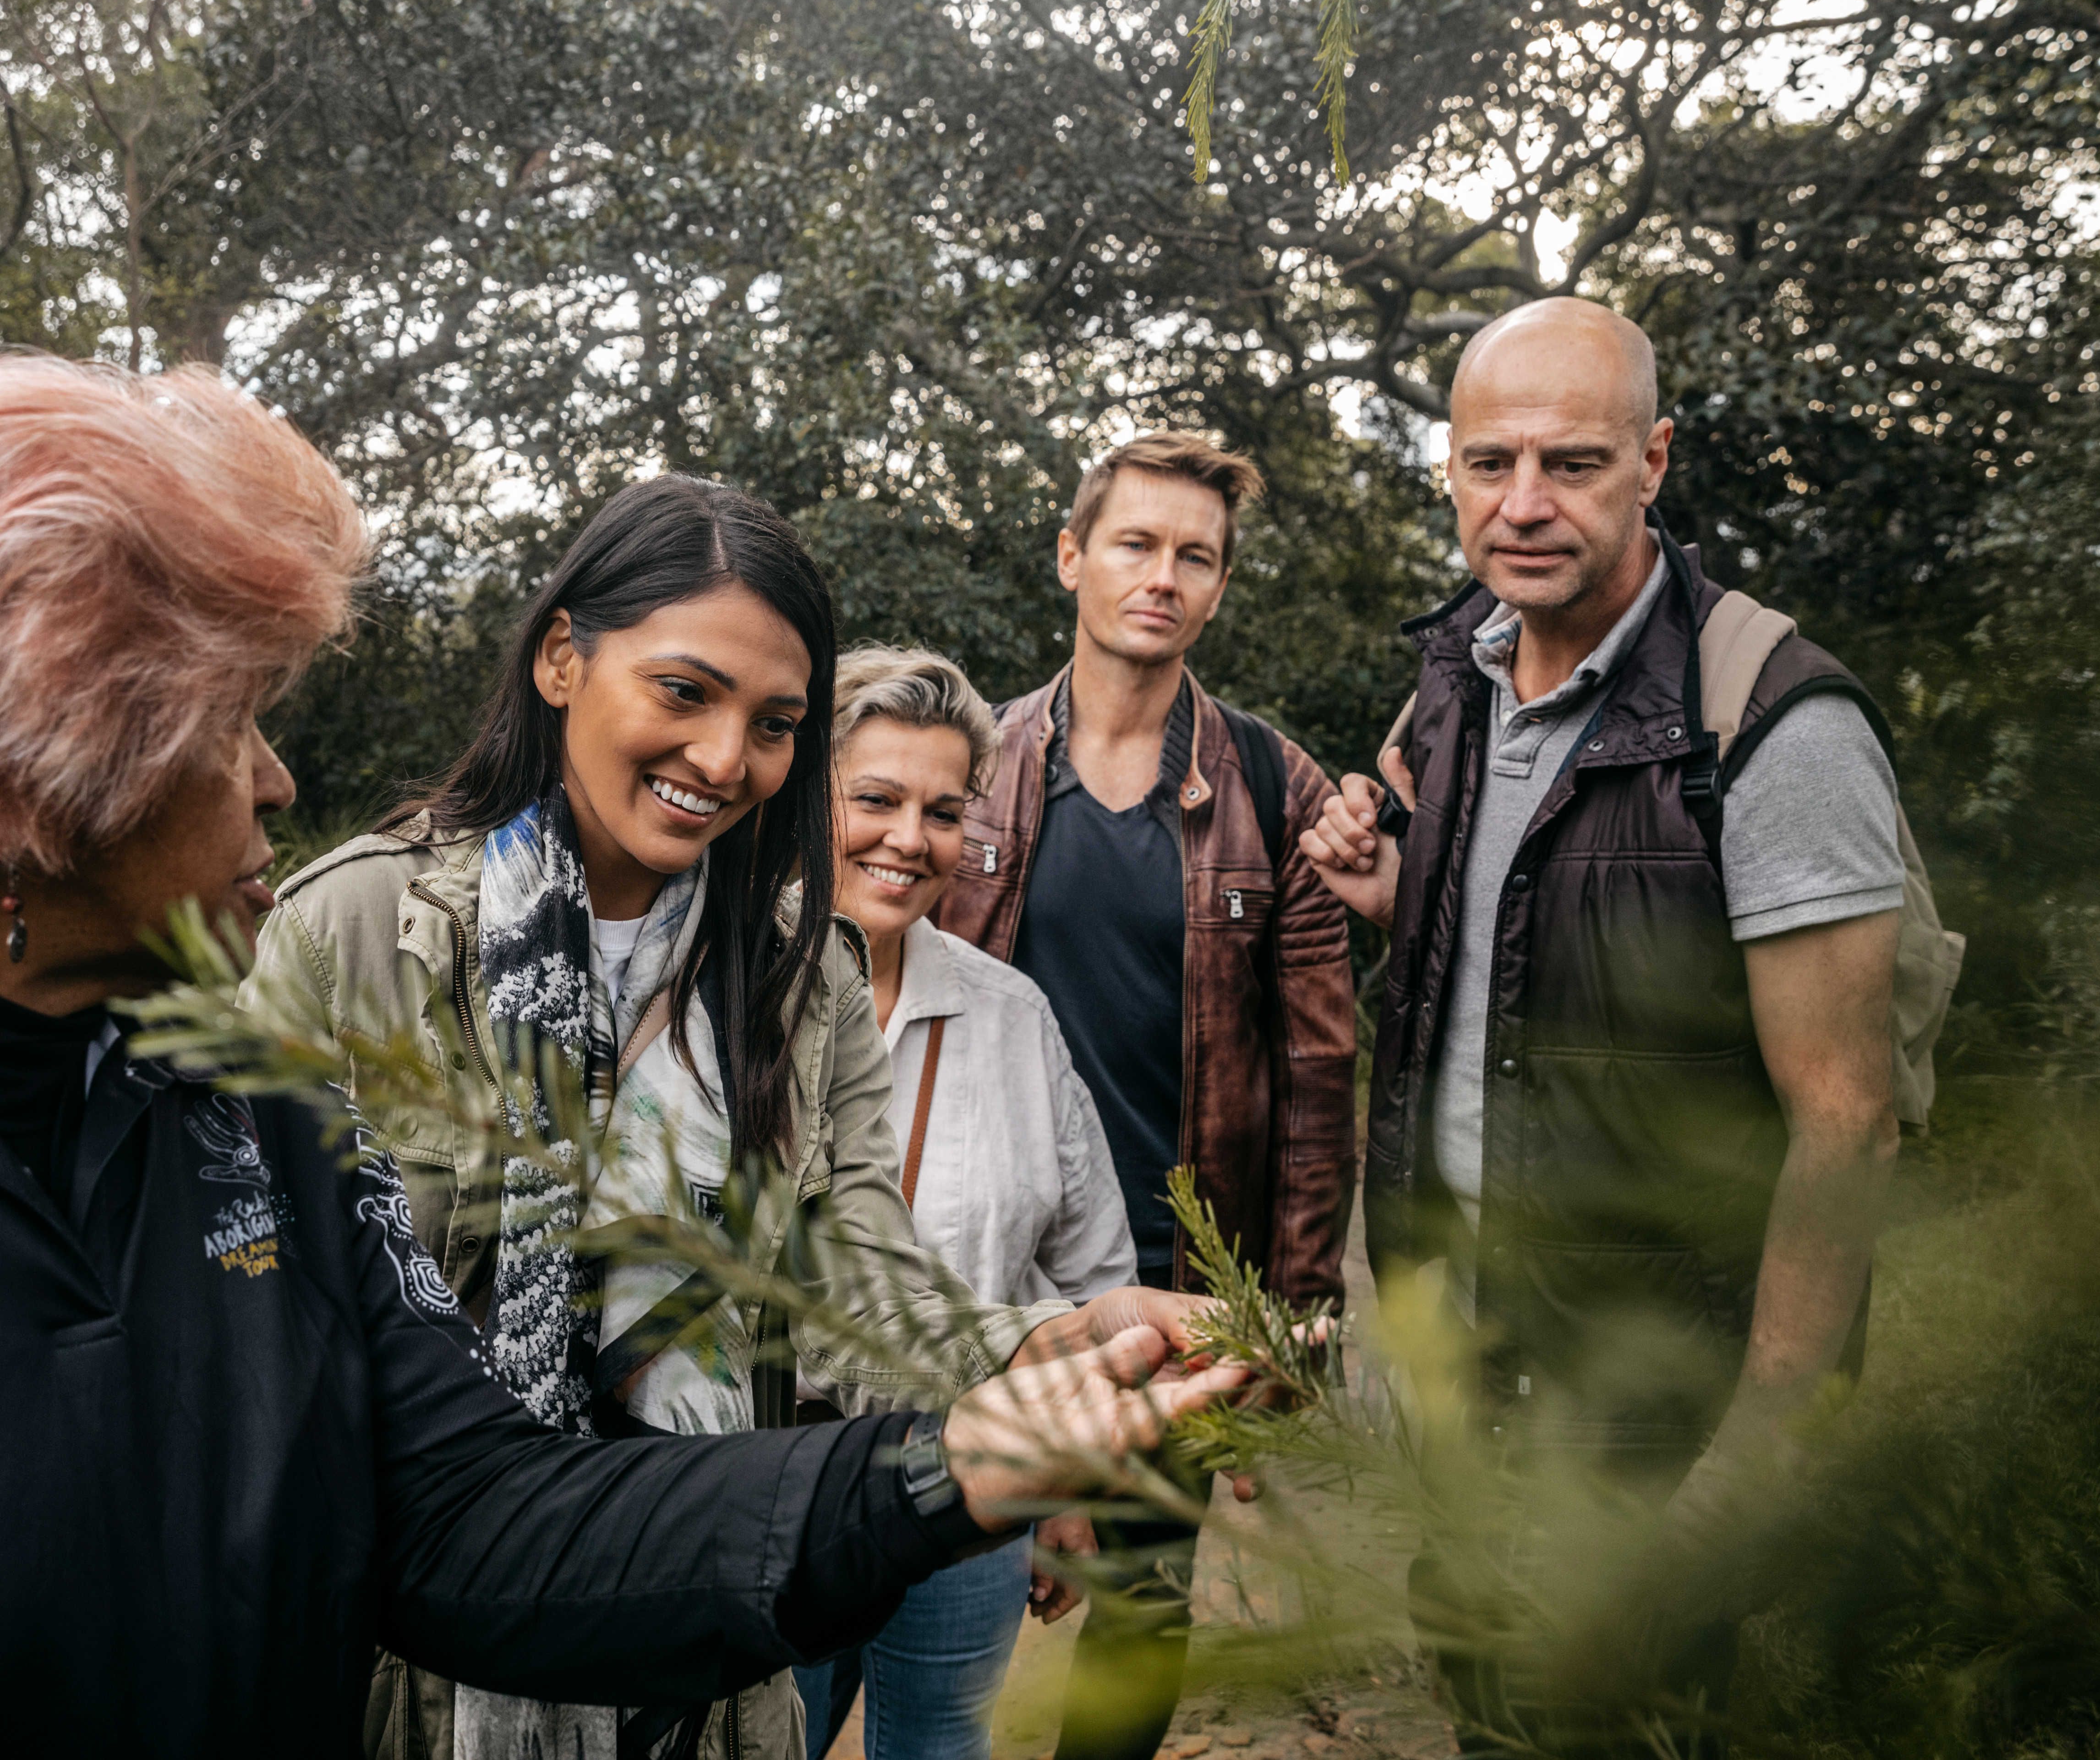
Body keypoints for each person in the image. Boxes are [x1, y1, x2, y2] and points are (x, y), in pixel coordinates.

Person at [0, 357, 1253, 1760]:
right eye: (230, 726)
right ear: (37, 756)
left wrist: (957, 1458)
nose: (281, 780)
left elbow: (472, 1518)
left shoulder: (248, 1109)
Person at [248, 476, 1211, 1760]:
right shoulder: (356, 930)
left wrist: (1061, 1336)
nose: (723, 759)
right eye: (683, 691)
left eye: (773, 725)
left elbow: (858, 1282)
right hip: (411, 1675)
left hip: (701, 1660)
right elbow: (265, 1340)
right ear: (559, 658)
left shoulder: (801, 981)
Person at [1297, 298, 1906, 1754]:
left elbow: (1847, 1119)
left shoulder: (1772, 724)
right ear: (1448, 467)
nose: (1523, 504)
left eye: (1571, 462)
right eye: (1487, 462)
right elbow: (1532, 973)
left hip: (1655, 1425)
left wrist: (1751, 1457)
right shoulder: (1454, 682)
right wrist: (1403, 901)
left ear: (1655, 460)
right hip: (1472, 1394)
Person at [935, 434, 1360, 1760]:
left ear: (1219, 586)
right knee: (934, 1581)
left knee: (1138, 1607)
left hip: (1177, 1276)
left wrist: (1290, 1317)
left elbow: (1318, 1077)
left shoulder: (1275, 785)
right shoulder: (974, 767)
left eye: (1195, 555)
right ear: (1072, 556)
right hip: (986, 1261)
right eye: (1135, 543)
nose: (1162, 576)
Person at [788, 647, 1137, 1760]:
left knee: (940, 1744)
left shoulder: (1010, 1014)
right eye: (875, 799)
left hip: (972, 1477)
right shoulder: (722, 995)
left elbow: (1087, 1270)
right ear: (805, 799)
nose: (909, 838)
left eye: (942, 811)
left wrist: (1064, 1483)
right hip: (769, 1487)